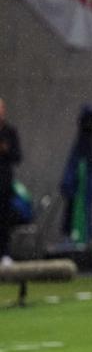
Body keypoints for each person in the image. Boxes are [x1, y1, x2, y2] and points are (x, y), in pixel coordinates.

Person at [60, 105, 92, 245]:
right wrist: (69, 182)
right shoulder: (83, 141)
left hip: (85, 184)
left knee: (84, 213)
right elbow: (75, 162)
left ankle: (82, 238)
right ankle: (72, 237)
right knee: (73, 212)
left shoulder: (88, 140)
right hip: (77, 184)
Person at [0, 98, 21, 267]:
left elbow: (18, 156)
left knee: (5, 219)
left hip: (5, 183)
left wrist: (6, 150)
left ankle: (5, 254)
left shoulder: (10, 132)